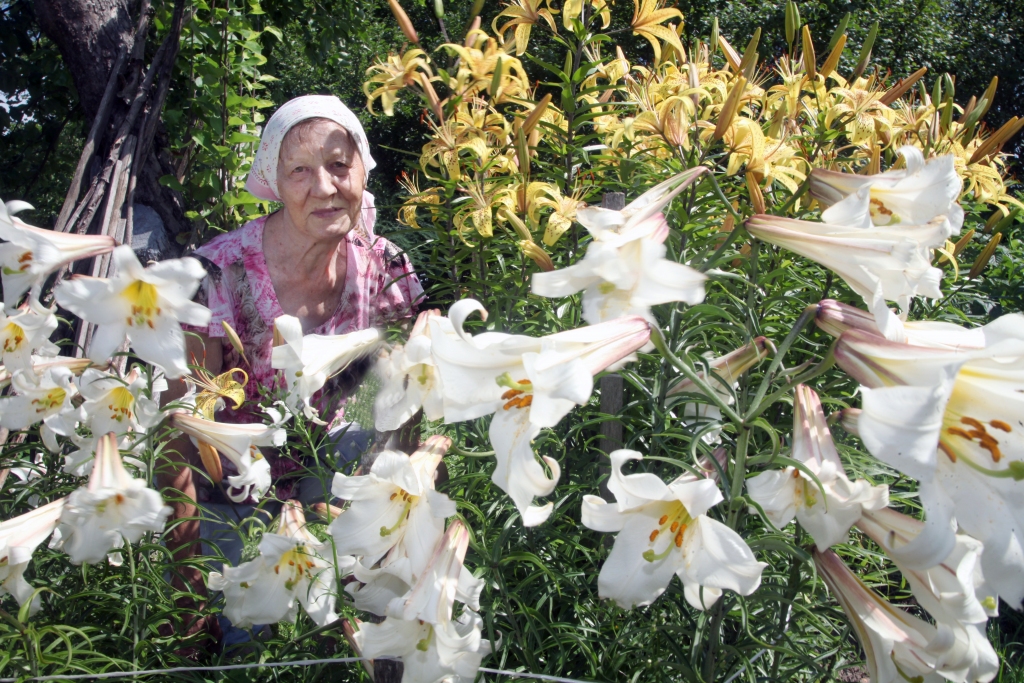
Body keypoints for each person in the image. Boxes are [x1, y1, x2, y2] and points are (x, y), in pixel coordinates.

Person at [158, 95, 423, 642]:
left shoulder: (384, 262)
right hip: (229, 494)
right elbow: (177, 436)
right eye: (299, 170)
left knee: (358, 640)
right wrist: (187, 587)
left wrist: (399, 517)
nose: (325, 188)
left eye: (339, 165)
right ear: (272, 182)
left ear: (362, 171)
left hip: (330, 475)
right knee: (241, 643)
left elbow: (417, 382)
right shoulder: (218, 275)